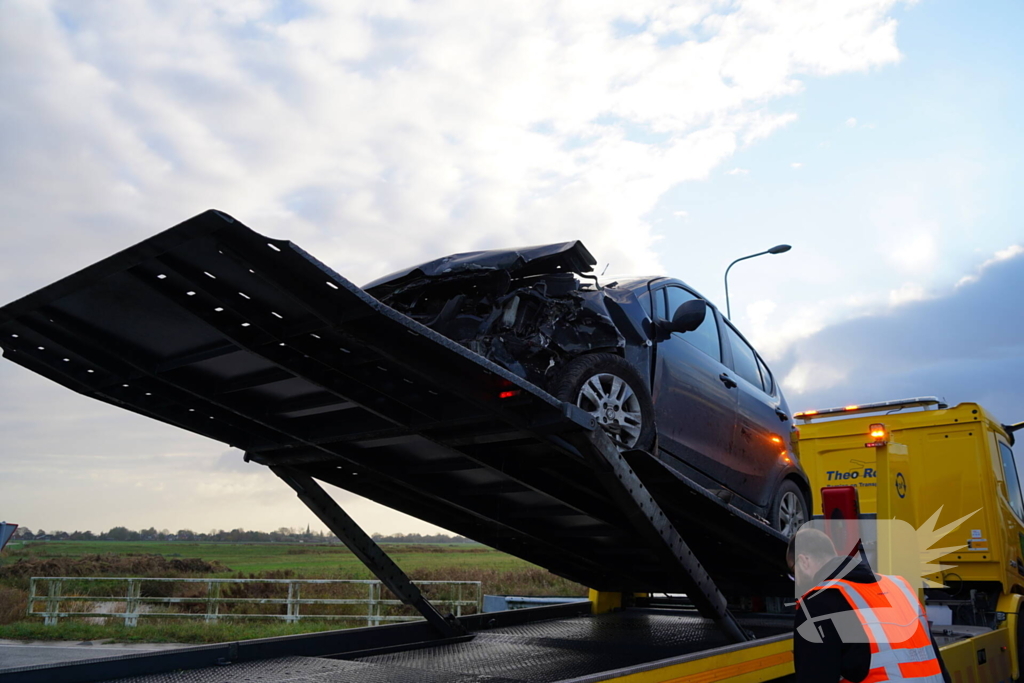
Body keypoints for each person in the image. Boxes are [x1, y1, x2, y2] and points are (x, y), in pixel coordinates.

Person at [789, 527, 951, 683]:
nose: (796, 581)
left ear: (803, 561)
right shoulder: (899, 586)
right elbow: (936, 661)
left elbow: (816, 677)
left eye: (793, 571)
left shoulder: (817, 604)